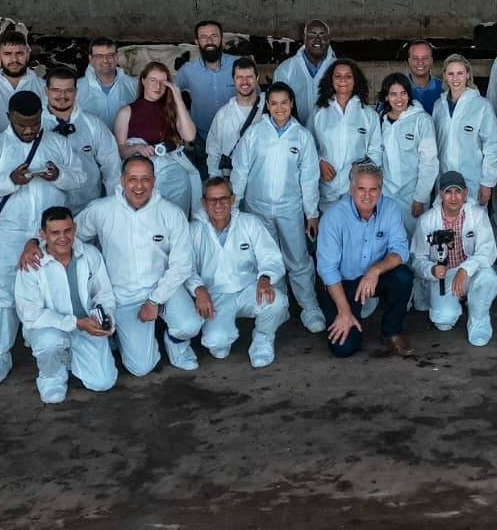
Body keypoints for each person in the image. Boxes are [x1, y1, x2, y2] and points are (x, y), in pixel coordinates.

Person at [20, 156, 202, 375]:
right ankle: (125, 339)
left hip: (164, 289)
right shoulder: (102, 209)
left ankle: (176, 344)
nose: (139, 186)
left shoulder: (171, 213)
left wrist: (155, 300)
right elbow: (68, 236)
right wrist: (33, 243)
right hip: (124, 297)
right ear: (122, 180)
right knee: (141, 368)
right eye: (133, 179)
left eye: (145, 179)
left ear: (154, 181)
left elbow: (182, 265)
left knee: (190, 325)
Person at [0, 89, 87, 387]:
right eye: (22, 124)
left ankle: (55, 347)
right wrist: (10, 180)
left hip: (51, 232)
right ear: (10, 118)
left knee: (54, 289)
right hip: (9, 230)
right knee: (3, 292)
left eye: (34, 123)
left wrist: (58, 175)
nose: (29, 130)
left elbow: (81, 178)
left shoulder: (57, 144)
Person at [231, 83, 324, 333]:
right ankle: (278, 305)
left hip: (289, 207)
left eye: (284, 102)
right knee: (267, 258)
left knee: (298, 258)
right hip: (257, 207)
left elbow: (309, 178)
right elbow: (240, 170)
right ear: (267, 105)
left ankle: (309, 307)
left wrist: (312, 212)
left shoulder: (301, 135)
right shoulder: (255, 133)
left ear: (292, 103)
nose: (279, 108)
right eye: (274, 103)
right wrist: (234, 206)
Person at [14, 206, 117, 403]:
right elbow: (30, 314)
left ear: (75, 228)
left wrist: (104, 316)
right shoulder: (32, 263)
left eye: (67, 230)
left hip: (87, 325)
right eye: (54, 233)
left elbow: (104, 294)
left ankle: (70, 355)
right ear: (43, 234)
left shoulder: (90, 254)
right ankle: (51, 377)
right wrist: (76, 323)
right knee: (50, 342)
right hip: (49, 328)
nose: (63, 238)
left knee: (103, 382)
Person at [187, 176, 290, 368]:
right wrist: (198, 289)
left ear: (233, 199)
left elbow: (270, 256)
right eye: (212, 200)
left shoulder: (249, 222)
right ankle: (223, 333)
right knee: (217, 344)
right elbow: (186, 267)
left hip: (248, 288)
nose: (218, 205)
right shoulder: (194, 230)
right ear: (203, 202)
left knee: (278, 302)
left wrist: (266, 277)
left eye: (223, 198)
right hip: (214, 294)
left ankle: (263, 338)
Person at [316, 162, 415, 358]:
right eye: (361, 189)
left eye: (373, 189)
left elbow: (401, 250)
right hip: (342, 283)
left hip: (372, 278)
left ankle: (391, 332)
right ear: (351, 189)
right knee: (344, 349)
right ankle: (345, 313)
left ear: (380, 190)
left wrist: (374, 271)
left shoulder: (390, 208)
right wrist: (344, 311)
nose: (367, 195)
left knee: (403, 276)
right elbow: (328, 270)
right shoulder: (334, 217)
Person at [410, 171, 497, 345]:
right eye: (448, 192)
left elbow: (488, 251)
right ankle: (453, 299)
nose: (453, 197)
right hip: (444, 277)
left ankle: (478, 320)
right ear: (440, 194)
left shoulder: (477, 214)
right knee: (444, 321)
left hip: (469, 271)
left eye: (458, 192)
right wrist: (431, 269)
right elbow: (417, 258)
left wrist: (465, 269)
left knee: (489, 278)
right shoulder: (427, 220)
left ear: (465, 193)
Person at [113, 61, 202, 215]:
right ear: (143, 81)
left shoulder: (172, 110)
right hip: (143, 175)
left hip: (175, 178)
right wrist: (137, 148)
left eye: (163, 82)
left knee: (175, 219)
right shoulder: (126, 112)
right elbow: (120, 150)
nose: (158, 86)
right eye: (153, 80)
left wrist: (177, 97)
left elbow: (189, 135)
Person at [43, 65, 122, 212]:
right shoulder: (36, 126)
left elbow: (112, 168)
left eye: (68, 90)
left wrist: (112, 206)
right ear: (46, 91)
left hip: (88, 208)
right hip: (48, 213)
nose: (62, 96)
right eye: (56, 90)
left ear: (76, 92)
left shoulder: (92, 124)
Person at [433, 53, 497, 213]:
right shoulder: (439, 106)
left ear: (467, 75)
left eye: (460, 73)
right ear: (444, 76)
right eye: (450, 73)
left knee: (473, 228)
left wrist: (487, 183)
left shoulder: (482, 106)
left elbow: (493, 147)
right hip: (445, 181)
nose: (455, 78)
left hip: (473, 182)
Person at [312, 60, 384, 212]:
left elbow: (376, 151)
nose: (343, 80)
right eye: (338, 76)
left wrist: (360, 169)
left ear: (355, 80)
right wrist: (319, 162)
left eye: (348, 76)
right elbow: (307, 146)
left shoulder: (368, 114)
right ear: (331, 80)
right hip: (327, 191)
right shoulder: (319, 112)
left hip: (357, 193)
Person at [376, 73, 439, 238]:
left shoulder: (421, 120)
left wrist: (421, 196)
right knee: (391, 241)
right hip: (387, 194)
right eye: (393, 94)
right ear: (386, 96)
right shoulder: (381, 122)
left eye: (403, 93)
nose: (399, 99)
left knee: (417, 243)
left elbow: (429, 161)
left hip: (412, 195)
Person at [0, 30, 46, 145]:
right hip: (0, 159)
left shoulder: (44, 88)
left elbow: (50, 128)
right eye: (8, 54)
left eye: (19, 53)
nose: (14, 59)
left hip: (38, 157)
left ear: (27, 54)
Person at [175, 19, 240, 141]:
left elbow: (256, 97)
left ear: (221, 39)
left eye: (214, 36)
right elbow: (171, 94)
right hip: (202, 138)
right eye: (204, 37)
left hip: (237, 136)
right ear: (197, 42)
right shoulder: (188, 70)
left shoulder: (238, 65)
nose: (209, 41)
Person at [204, 57, 267, 178]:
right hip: (231, 177)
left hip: (261, 178)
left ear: (257, 78)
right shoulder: (223, 114)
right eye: (239, 77)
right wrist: (218, 180)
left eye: (249, 76)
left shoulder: (268, 110)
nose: (245, 82)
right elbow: (213, 152)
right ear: (233, 80)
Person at [276, 19, 336, 124]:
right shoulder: (286, 70)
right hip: (296, 136)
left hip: (330, 137)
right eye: (312, 35)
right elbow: (277, 107)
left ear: (329, 39)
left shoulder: (339, 70)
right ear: (304, 38)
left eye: (323, 36)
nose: (318, 40)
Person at [76, 37, 138, 129]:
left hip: (126, 142)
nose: (105, 60)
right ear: (91, 59)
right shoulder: (77, 87)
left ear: (117, 57)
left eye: (110, 55)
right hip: (91, 143)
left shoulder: (134, 85)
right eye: (99, 56)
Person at [404, 40, 446, 114]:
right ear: (409, 61)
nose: (420, 62)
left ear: (431, 61)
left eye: (425, 58)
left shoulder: (445, 89)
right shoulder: (397, 88)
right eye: (415, 58)